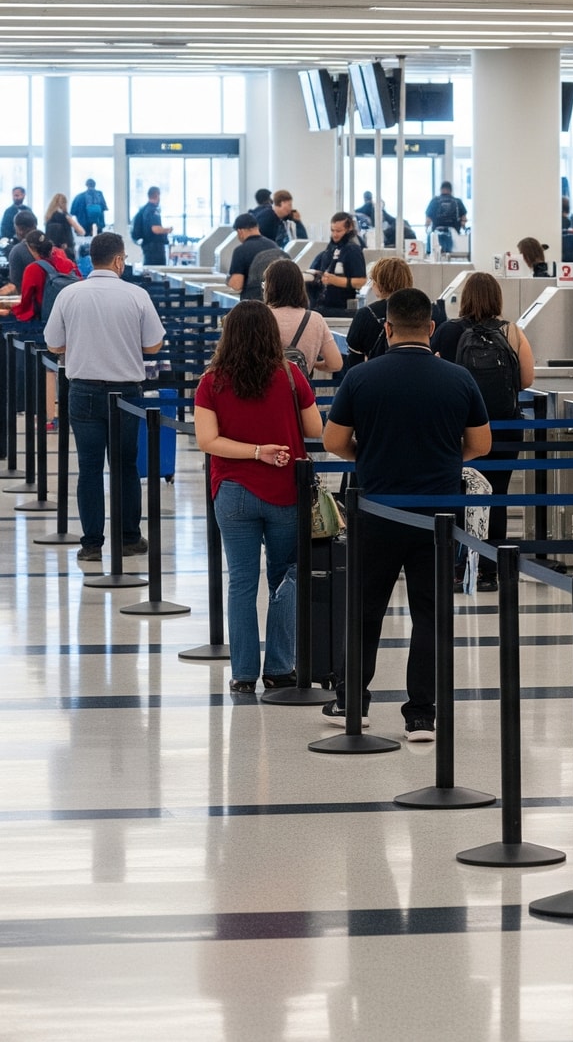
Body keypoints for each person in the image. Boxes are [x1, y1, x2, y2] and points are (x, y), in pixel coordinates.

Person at [321, 287, 492, 738]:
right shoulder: (458, 379)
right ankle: (421, 713)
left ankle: (352, 699)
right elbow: (480, 445)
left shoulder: (362, 377)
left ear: (387, 327)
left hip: (376, 510)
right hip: (437, 516)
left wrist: (372, 452)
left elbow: (334, 442)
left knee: (365, 608)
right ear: (432, 328)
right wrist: (440, 458)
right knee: (431, 613)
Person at [192, 301, 325, 695]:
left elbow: (206, 440)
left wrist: (252, 451)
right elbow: (315, 427)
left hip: (232, 492)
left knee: (242, 582)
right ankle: (280, 666)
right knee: (287, 575)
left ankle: (244, 673)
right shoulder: (290, 376)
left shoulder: (211, 381)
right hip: (285, 491)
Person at [41, 232, 163, 562]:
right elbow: (153, 345)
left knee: (90, 468)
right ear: (119, 260)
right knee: (124, 467)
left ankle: (92, 544)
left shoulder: (69, 294)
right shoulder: (136, 295)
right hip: (125, 393)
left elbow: (52, 343)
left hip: (82, 391)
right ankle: (128, 537)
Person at [428, 272, 537, 593]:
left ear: (464, 298)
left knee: (458, 493)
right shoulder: (512, 331)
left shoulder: (447, 331)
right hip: (503, 427)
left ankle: (457, 567)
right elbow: (527, 380)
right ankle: (492, 570)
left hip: (458, 427)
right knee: (497, 495)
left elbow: (435, 373)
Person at [263, 259, 343, 374]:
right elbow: (335, 364)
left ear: (269, 287)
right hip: (300, 391)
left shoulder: (260, 316)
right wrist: (313, 365)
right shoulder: (315, 319)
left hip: (266, 389)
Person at [345, 256, 411, 365]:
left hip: (376, 376)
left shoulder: (366, 314)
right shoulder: (420, 311)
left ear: (379, 283)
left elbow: (354, 358)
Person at [307, 212, 367, 317]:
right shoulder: (331, 248)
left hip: (340, 307)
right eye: (332, 230)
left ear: (349, 229)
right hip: (323, 304)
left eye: (339, 231)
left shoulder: (353, 250)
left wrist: (335, 281)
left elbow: (361, 281)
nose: (335, 234)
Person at [13, 230, 77, 326]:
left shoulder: (32, 269)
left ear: (30, 249)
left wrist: (13, 310)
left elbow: (26, 303)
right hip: (72, 317)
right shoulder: (68, 263)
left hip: (47, 322)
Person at [224, 213, 279, 301]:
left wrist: (228, 280)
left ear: (240, 232)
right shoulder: (274, 246)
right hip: (274, 301)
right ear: (257, 227)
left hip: (252, 305)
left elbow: (237, 285)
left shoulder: (241, 250)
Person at [130, 188, 171, 266]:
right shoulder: (153, 210)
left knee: (149, 271)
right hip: (155, 248)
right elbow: (155, 229)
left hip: (147, 246)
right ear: (157, 195)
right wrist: (168, 230)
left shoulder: (144, 209)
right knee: (158, 272)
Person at [426, 182, 467, 256]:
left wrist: (426, 229)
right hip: (453, 234)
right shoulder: (457, 201)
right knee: (451, 256)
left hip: (436, 232)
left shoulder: (435, 201)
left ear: (441, 189)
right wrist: (463, 228)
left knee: (435, 255)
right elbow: (463, 219)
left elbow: (428, 219)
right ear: (451, 190)